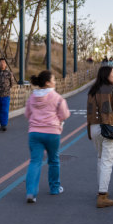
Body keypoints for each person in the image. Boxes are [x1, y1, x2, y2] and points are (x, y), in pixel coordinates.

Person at [24, 70, 71, 203]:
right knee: (54, 160)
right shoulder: (56, 97)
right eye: (53, 80)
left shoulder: (32, 97)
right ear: (47, 82)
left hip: (34, 133)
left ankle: (31, 192)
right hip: (52, 133)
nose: (55, 82)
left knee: (35, 161)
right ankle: (55, 188)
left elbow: (27, 114)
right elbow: (65, 114)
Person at [86, 66, 113, 208]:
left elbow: (89, 111)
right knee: (107, 161)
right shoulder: (112, 89)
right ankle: (102, 195)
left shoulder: (92, 90)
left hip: (94, 127)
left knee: (100, 158)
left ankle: (101, 190)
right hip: (109, 127)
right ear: (107, 76)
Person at [0, 57, 15, 131]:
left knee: (5, 110)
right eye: (1, 63)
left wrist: (7, 89)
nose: (2, 64)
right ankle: (1, 124)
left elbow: (12, 83)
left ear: (6, 64)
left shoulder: (9, 73)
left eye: (3, 62)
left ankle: (4, 125)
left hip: (6, 95)